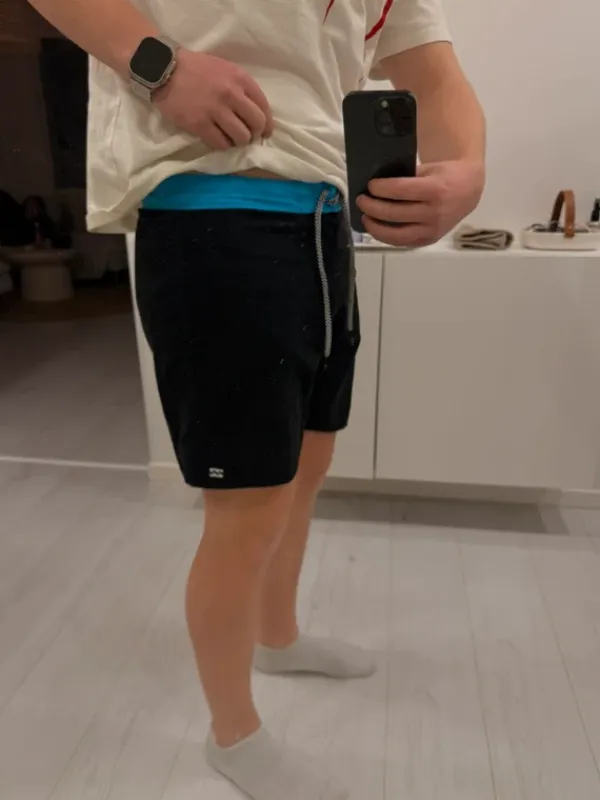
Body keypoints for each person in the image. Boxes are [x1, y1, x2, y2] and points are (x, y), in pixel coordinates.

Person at [27, 1, 485, 797]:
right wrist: (158, 64)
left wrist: (468, 172)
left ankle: (277, 637)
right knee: (246, 507)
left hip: (325, 222)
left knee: (306, 466)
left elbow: (438, 78)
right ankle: (233, 735)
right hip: (214, 212)